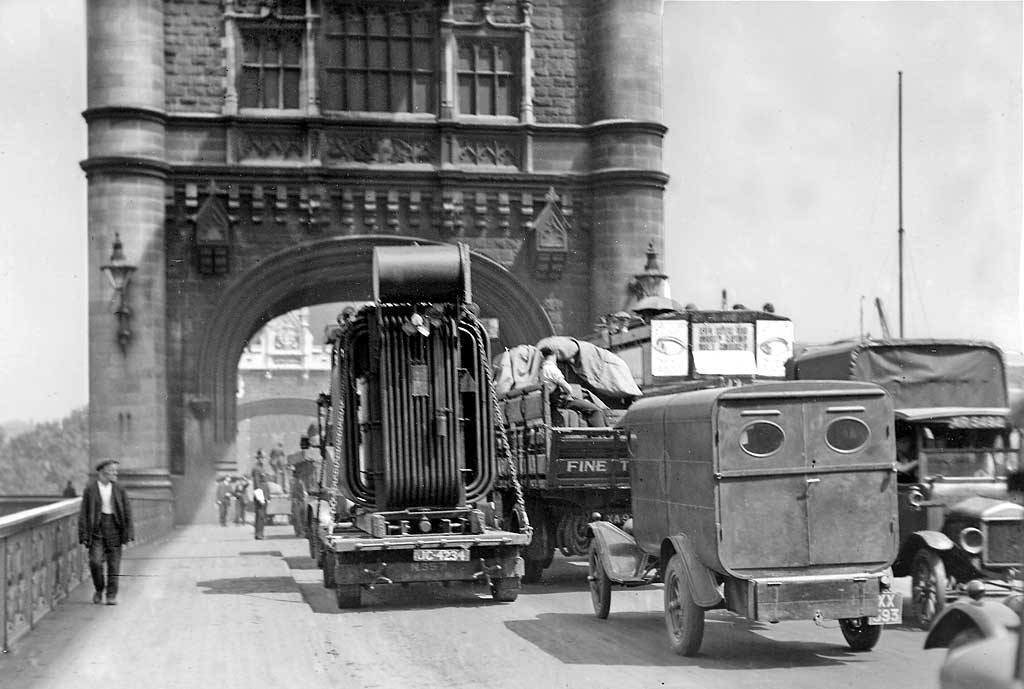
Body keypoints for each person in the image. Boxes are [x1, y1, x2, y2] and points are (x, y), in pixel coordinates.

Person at [77, 459, 134, 605]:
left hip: (115, 528)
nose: (115, 473)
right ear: (102, 471)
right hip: (97, 529)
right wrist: (83, 535)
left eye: (116, 470)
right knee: (95, 562)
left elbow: (127, 512)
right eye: (112, 470)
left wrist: (129, 535)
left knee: (114, 565)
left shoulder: (119, 489)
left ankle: (111, 595)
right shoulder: (91, 489)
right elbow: (84, 513)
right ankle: (99, 588)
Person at [539, 347, 607, 427]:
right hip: (560, 402)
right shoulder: (552, 369)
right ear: (556, 354)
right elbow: (568, 388)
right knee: (594, 410)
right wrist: (569, 394)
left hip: (552, 402)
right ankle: (602, 434)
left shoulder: (542, 371)